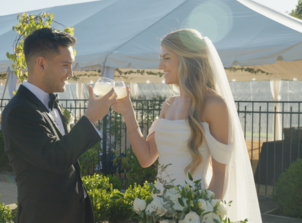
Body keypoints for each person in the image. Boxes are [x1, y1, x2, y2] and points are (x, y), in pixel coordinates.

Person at [112, 29, 262, 222]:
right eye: (160, 58)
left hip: (194, 211)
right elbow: (146, 158)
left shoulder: (214, 104)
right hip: (159, 209)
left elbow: (219, 174)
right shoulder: (168, 105)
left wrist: (205, 216)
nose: (160, 66)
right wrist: (128, 113)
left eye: (166, 58)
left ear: (187, 59)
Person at [2, 27, 116, 223]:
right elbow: (55, 159)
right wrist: (89, 119)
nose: (70, 73)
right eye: (65, 65)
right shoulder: (19, 112)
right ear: (41, 64)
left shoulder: (52, 104)